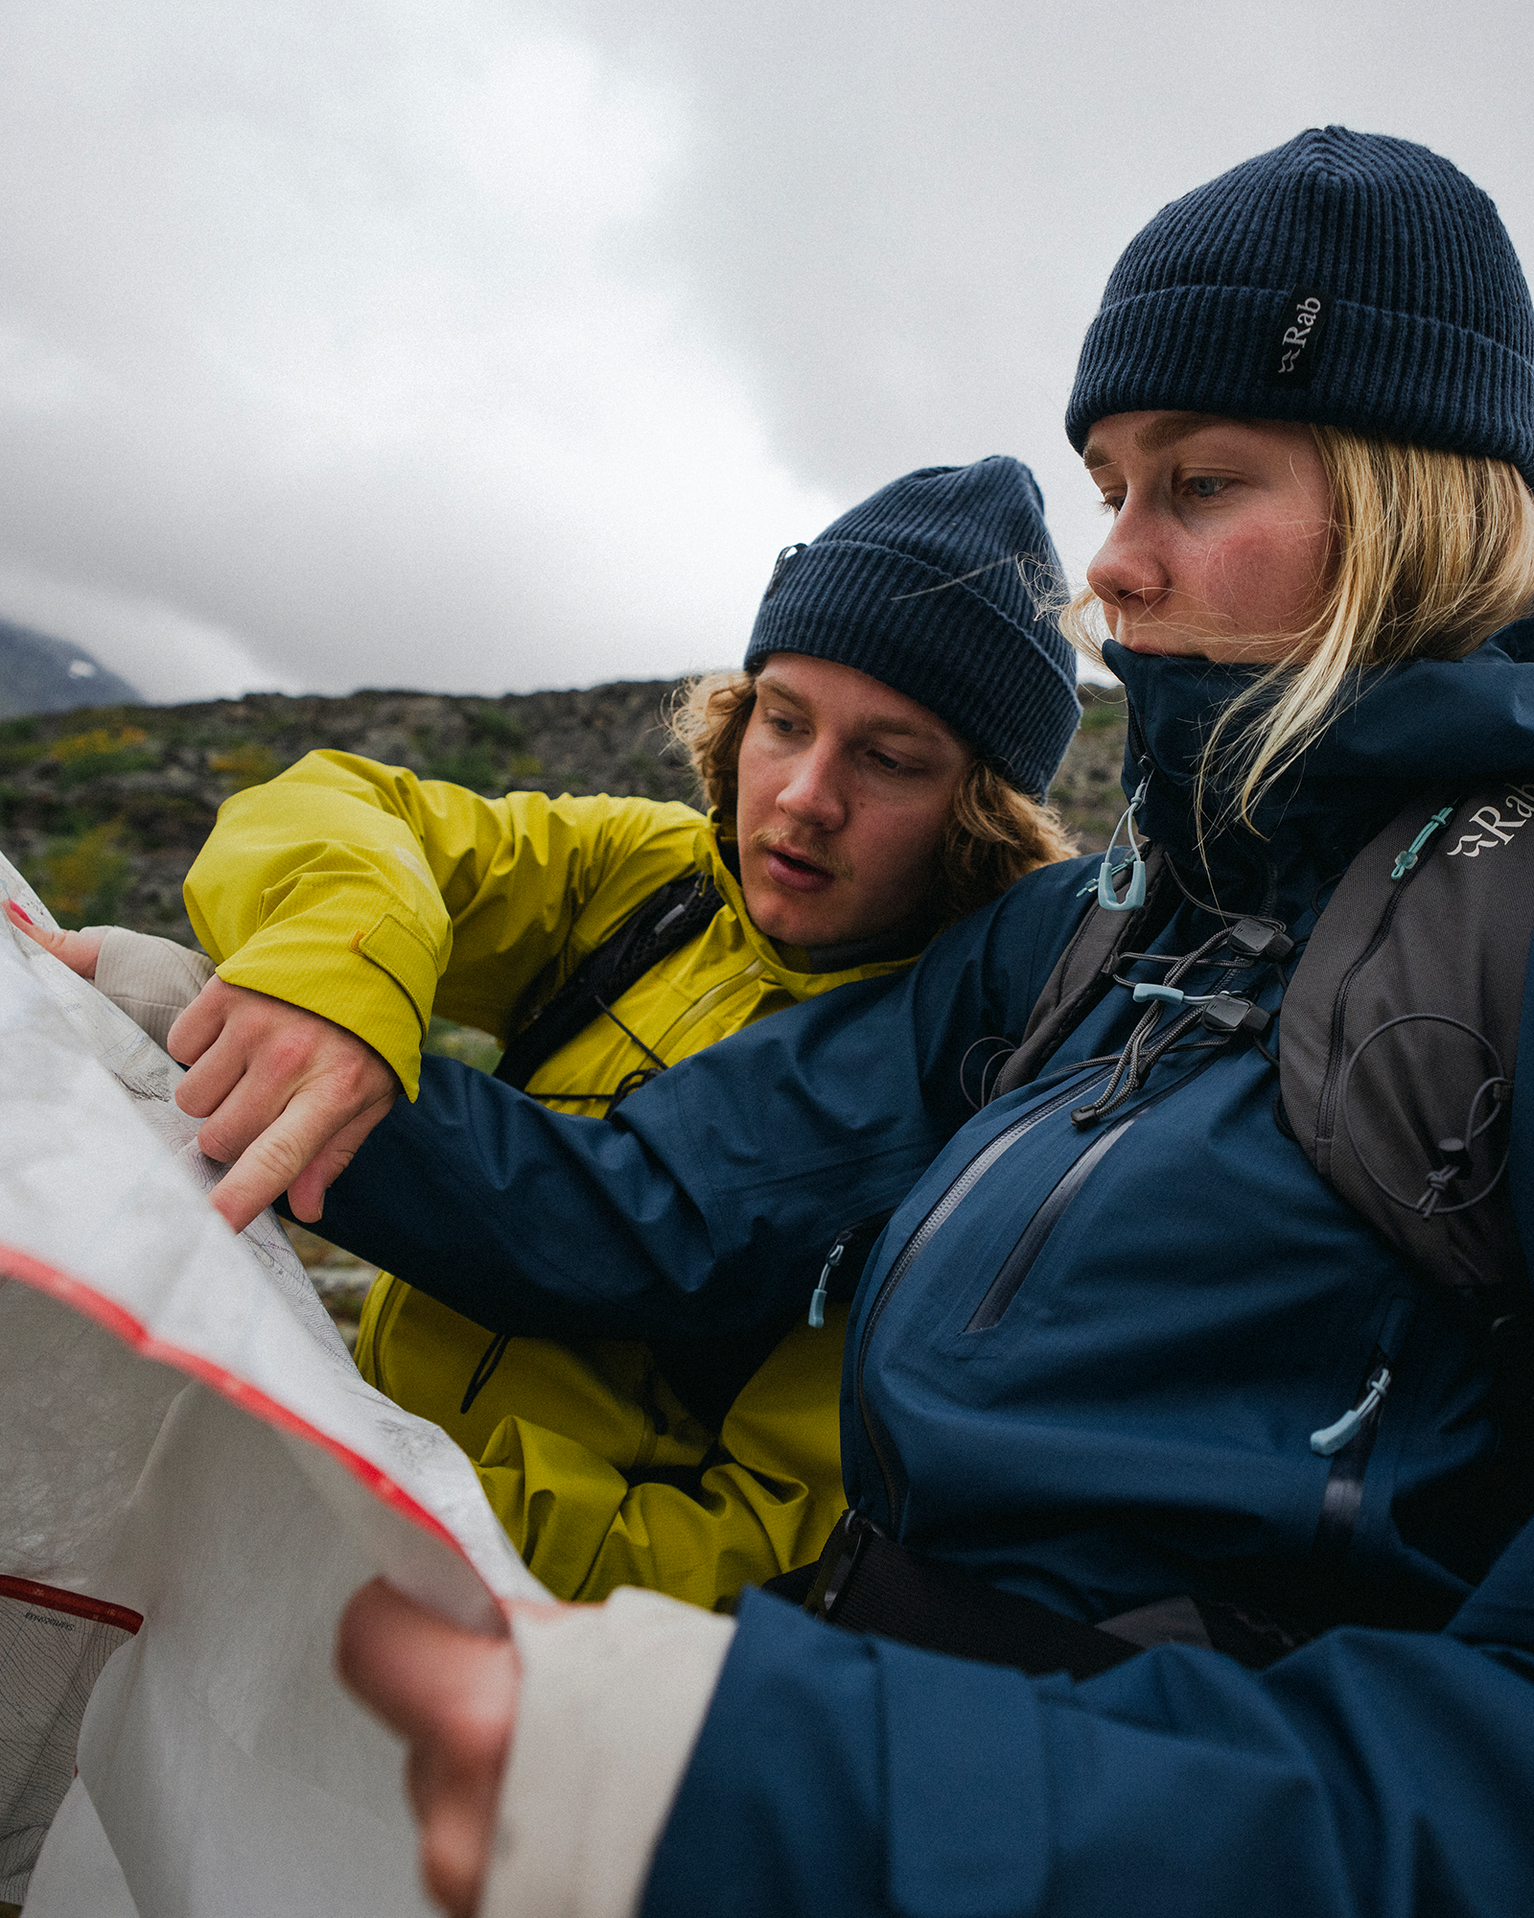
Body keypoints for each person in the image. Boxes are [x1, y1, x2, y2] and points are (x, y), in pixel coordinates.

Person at [323, 128, 1534, 1917]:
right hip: (837, 1728)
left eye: (1197, 483)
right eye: (1108, 483)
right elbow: (654, 1206)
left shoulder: (1498, 926)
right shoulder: (1082, 928)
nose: (1110, 564)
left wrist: (828, 1788)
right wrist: (259, 1058)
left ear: (1419, 503)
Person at [8, 456, 1082, 1609]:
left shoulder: (968, 1094)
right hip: (328, 1514)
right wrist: (336, 982)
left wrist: (411, 1489)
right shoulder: (651, 879)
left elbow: (773, 1532)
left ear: (979, 817)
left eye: (887, 758)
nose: (804, 794)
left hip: (520, 1642)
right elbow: (338, 807)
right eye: (783, 719)